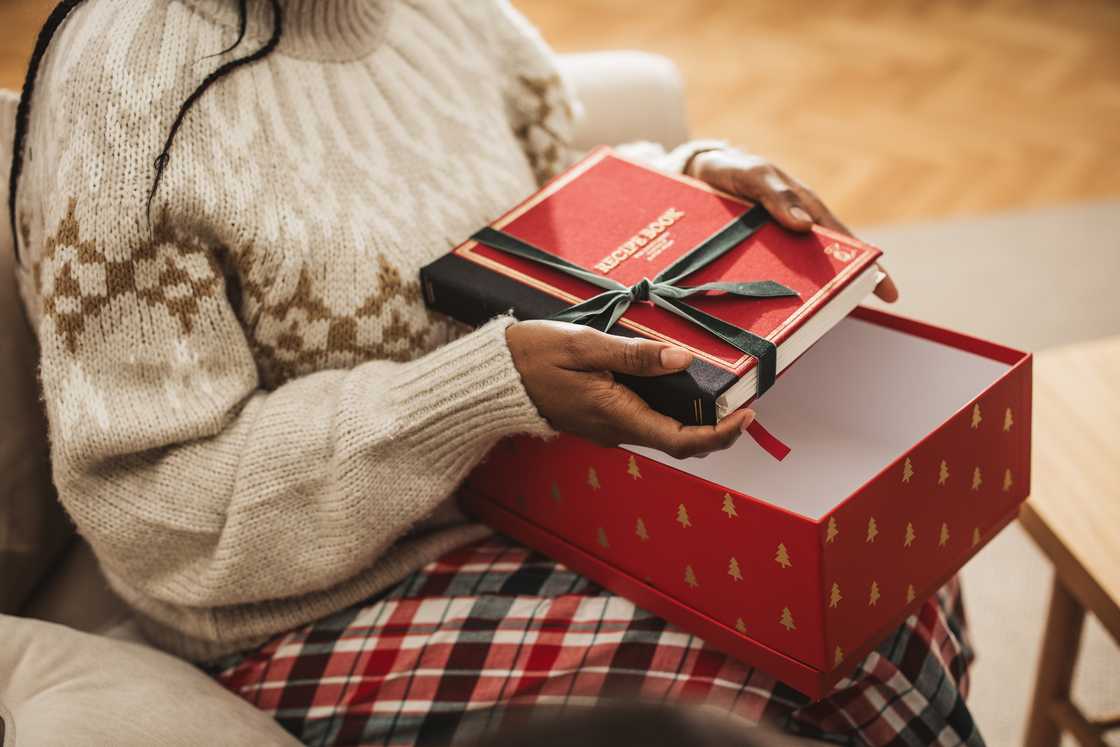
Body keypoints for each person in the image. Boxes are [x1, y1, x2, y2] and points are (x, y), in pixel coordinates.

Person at [10, 1, 979, 745]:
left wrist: (687, 176)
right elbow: (154, 519)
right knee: (793, 681)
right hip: (298, 603)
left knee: (884, 584)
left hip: (539, 489)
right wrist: (474, 393)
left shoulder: (439, 14)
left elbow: (554, 194)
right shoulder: (125, 101)